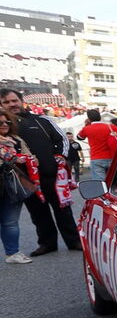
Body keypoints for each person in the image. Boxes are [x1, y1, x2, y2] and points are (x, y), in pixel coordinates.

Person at [0, 89, 82, 256]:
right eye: (6, 102)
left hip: (51, 175)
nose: (12, 104)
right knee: (38, 214)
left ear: (21, 100)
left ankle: (74, 241)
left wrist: (60, 157)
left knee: (63, 210)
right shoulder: (4, 126)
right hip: (25, 180)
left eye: (14, 100)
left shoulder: (41, 120)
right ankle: (47, 244)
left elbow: (62, 140)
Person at [0, 107, 34, 263]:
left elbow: (29, 156)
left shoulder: (17, 140)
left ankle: (12, 253)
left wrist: (30, 160)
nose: (4, 125)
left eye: (6, 121)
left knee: (10, 222)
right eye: (0, 122)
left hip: (13, 185)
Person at [77, 108, 117, 181]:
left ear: (89, 118)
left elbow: (79, 137)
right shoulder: (110, 127)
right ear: (100, 117)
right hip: (112, 157)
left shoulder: (86, 129)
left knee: (100, 183)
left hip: (96, 158)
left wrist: (86, 125)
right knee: (114, 181)